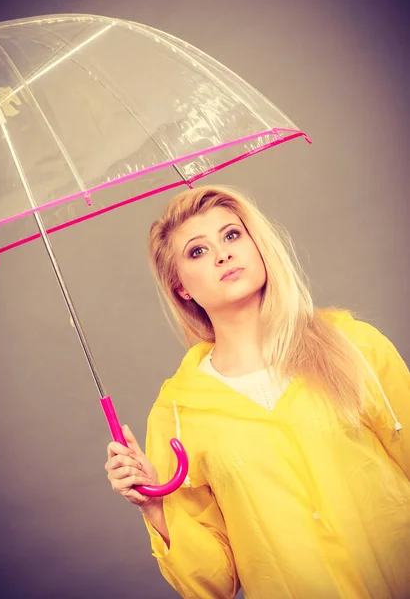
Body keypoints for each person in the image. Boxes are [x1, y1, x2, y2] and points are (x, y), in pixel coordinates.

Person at [104, 185, 410, 599]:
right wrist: (154, 507)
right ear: (181, 288)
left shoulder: (355, 345)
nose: (223, 254)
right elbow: (215, 583)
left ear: (257, 245)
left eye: (232, 235)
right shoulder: (177, 413)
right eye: (197, 251)